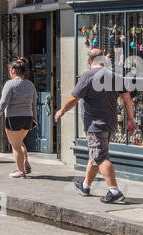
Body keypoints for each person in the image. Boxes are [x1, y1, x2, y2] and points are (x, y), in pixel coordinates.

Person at [56, 47, 136, 204]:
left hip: (95, 124)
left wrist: (62, 110)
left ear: (88, 61)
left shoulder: (87, 76)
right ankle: (86, 186)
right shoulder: (115, 76)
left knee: (100, 157)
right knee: (96, 153)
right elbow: (127, 99)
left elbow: (73, 98)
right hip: (110, 123)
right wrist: (131, 119)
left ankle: (114, 191)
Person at [0, 57, 37, 178]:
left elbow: (3, 102)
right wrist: (35, 120)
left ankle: (20, 171)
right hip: (27, 118)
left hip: (14, 118)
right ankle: (25, 163)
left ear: (13, 70)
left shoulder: (10, 84)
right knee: (19, 142)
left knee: (15, 145)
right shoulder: (30, 85)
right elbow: (34, 104)